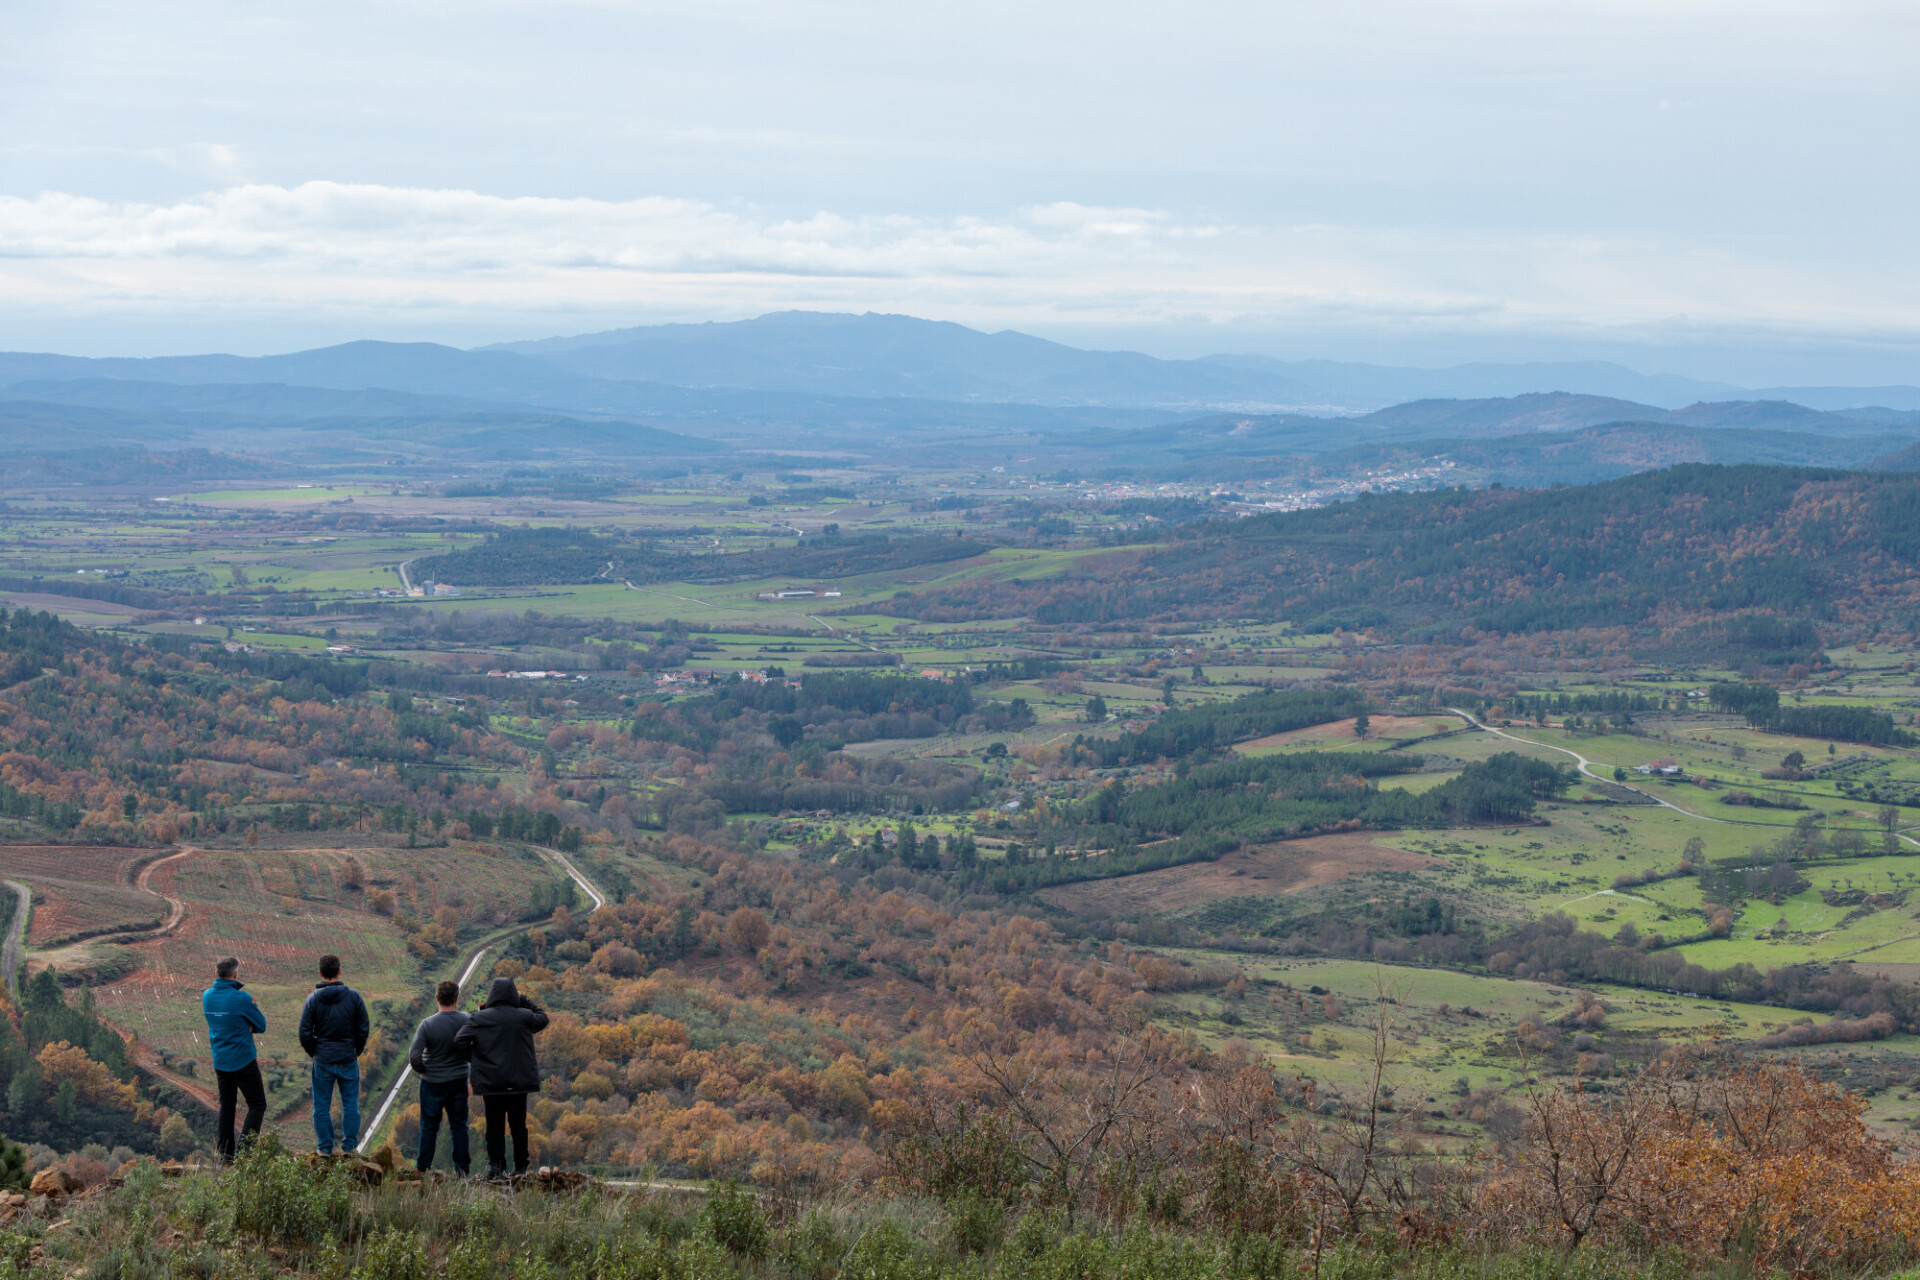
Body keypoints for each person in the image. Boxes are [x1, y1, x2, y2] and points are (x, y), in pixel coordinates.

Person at [454, 976, 548, 1180]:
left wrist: (477, 1060)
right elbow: (543, 1017)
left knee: (494, 1125)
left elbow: (459, 1041)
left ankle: (496, 1167)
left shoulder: (480, 1018)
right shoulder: (524, 1016)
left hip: (492, 1081)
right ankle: (521, 1166)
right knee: (518, 1124)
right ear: (513, 994)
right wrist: (524, 1001)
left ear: (492, 995)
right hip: (518, 1082)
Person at [297, 953, 369, 1155]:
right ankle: (349, 1148)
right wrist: (356, 1050)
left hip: (323, 1060)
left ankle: (325, 1149)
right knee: (350, 1105)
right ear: (339, 971)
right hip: (347, 1058)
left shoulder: (312, 999)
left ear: (320, 973)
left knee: (321, 1106)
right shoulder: (354, 997)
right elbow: (363, 1027)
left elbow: (304, 1032)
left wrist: (316, 1052)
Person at [201, 956, 267, 1163]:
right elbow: (261, 1024)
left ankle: (226, 1156)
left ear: (216, 973)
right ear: (235, 974)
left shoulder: (207, 997)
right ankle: (245, 1154)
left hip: (220, 1060)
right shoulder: (242, 999)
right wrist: (245, 1027)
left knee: (227, 1106)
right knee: (257, 1104)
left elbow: (220, 1023)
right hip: (243, 1060)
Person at [406, 979, 471, 1175]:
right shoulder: (466, 1021)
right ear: (456, 998)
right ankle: (462, 1172)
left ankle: (422, 1168)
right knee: (459, 1127)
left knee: (429, 1127)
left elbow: (414, 1056)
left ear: (436, 998)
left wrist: (425, 1070)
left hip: (432, 1084)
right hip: (459, 1081)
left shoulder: (427, 1025)